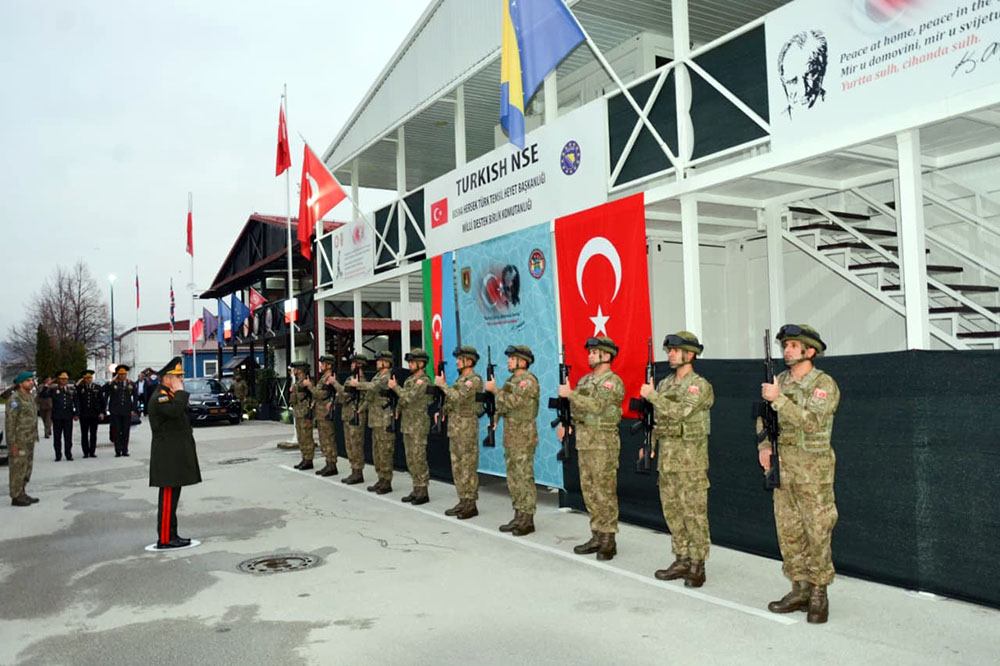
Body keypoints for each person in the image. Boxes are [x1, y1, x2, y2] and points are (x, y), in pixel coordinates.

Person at [759, 324, 840, 624]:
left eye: (793, 345)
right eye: (785, 346)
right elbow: (763, 417)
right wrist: (764, 445)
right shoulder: (779, 380)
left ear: (810, 351)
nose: (787, 350)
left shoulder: (824, 384)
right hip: (784, 467)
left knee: (817, 530)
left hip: (813, 471)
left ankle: (819, 593)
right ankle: (800, 587)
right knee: (789, 531)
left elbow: (813, 423)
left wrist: (778, 399)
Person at [640, 331, 715, 587]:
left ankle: (697, 563)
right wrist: (649, 443)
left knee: (694, 514)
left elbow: (681, 412)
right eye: (668, 350)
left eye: (674, 350)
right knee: (672, 512)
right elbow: (659, 420)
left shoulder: (699, 385)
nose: (670, 354)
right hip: (668, 461)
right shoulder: (664, 385)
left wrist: (652, 397)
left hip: (691, 462)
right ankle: (682, 558)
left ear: (690, 354)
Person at [558, 336, 624, 561]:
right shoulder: (585, 381)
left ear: (606, 356)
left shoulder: (611, 382)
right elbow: (577, 410)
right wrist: (566, 424)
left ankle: (608, 539)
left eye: (595, 352)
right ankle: (596, 534)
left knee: (604, 491)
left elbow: (597, 406)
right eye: (590, 352)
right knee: (589, 490)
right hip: (585, 442)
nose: (590, 355)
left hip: (603, 444)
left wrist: (571, 394)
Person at [148, 357, 202, 549]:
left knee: (173, 498)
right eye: (177, 377)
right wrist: (179, 392)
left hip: (174, 454)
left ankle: (172, 534)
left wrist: (178, 393)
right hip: (167, 457)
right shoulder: (161, 397)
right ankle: (164, 538)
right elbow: (173, 413)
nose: (180, 381)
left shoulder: (169, 396)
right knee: (168, 499)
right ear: (167, 378)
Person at [486, 344, 540, 535]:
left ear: (522, 361)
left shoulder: (527, 381)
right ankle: (518, 514)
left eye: (512, 358)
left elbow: (512, 402)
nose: (508, 361)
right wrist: (494, 420)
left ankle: (527, 518)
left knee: (524, 477)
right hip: (511, 435)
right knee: (514, 477)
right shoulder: (511, 380)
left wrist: (495, 391)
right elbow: (502, 407)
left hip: (523, 435)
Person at [436, 346, 483, 519]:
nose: (456, 361)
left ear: (469, 361)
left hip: (466, 428)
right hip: (455, 429)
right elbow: (452, 401)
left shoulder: (473, 380)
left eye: (460, 359)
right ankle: (463, 500)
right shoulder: (460, 379)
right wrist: (443, 411)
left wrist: (443, 386)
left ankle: (471, 503)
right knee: (457, 466)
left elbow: (460, 397)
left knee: (467, 466)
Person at [389, 348, 433, 505]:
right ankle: (416, 487)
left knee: (419, 457)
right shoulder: (409, 380)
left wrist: (395, 387)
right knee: (410, 458)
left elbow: (409, 396)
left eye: (413, 362)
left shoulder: (424, 381)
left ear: (421, 364)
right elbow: (403, 400)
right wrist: (398, 409)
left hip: (418, 424)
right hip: (407, 423)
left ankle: (423, 490)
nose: (410, 365)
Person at [351, 351, 395, 494]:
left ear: (386, 363)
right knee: (377, 452)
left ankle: (386, 481)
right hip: (375, 420)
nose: (376, 363)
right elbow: (370, 397)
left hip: (384, 420)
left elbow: (373, 387)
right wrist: (362, 409)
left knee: (385, 452)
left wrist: (358, 384)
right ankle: (380, 478)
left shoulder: (387, 377)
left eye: (379, 360)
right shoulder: (378, 376)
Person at [332, 352, 368, 485]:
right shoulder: (349, 379)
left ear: (360, 365)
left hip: (356, 416)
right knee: (349, 445)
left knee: (356, 445)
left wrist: (335, 383)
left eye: (354, 363)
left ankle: (358, 472)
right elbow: (342, 396)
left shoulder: (361, 381)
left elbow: (366, 398)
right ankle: (354, 470)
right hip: (347, 415)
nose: (351, 365)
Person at [5, 372, 40, 506]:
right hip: (19, 440)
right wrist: (12, 443)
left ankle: (22, 491)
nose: (31, 382)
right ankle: (16, 496)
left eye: (32, 380)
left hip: (29, 438)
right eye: (28, 380)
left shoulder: (30, 397)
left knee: (27, 467)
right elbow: (10, 423)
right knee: (17, 468)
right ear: (20, 383)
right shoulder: (15, 400)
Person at [310, 355, 339, 477]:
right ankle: (328, 463)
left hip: (326, 414)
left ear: (329, 365)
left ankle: (332, 464)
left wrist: (309, 386)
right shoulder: (324, 378)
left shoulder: (330, 378)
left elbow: (321, 394)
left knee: (328, 439)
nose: (321, 366)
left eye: (323, 364)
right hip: (320, 413)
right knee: (323, 440)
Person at [42, 370, 77, 461]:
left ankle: (68, 454)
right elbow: (43, 395)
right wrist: (47, 385)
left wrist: (76, 413)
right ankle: (58, 455)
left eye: (65, 379)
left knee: (68, 437)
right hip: (57, 416)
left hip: (68, 416)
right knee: (57, 437)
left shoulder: (71, 390)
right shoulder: (54, 390)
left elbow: (76, 402)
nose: (64, 381)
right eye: (62, 379)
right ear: (58, 380)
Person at [104, 365, 138, 457]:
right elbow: (104, 389)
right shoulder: (113, 384)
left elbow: (135, 397)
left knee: (126, 431)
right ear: (118, 375)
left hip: (126, 410)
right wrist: (111, 381)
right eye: (120, 374)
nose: (122, 376)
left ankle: (125, 449)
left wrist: (133, 409)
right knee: (117, 430)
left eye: (124, 374)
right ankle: (118, 450)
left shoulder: (131, 384)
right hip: (116, 411)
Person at [289, 362, 316, 471]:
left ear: (300, 369)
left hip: (305, 413)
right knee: (301, 437)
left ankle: (309, 459)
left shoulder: (307, 381)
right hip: (298, 413)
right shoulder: (297, 382)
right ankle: (304, 458)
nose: (293, 370)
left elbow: (315, 395)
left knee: (307, 437)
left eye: (295, 368)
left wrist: (311, 407)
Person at [75, 369, 105, 459]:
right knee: (84, 434)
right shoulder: (81, 388)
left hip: (94, 414)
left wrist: (102, 412)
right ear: (84, 379)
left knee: (93, 434)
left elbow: (102, 401)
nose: (89, 380)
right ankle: (85, 452)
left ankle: (92, 451)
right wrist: (78, 382)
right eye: (87, 378)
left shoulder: (97, 388)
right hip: (84, 414)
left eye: (90, 378)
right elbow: (75, 394)